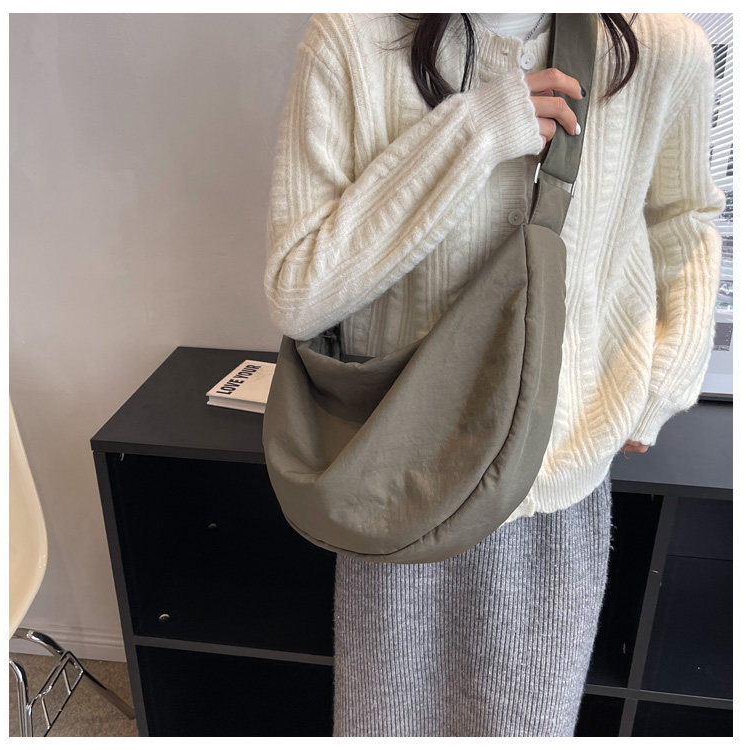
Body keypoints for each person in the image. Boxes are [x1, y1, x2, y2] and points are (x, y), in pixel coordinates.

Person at [263, 12, 725, 737]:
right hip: (398, 469)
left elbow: (683, 217)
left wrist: (662, 382)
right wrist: (472, 132)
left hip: (558, 473)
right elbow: (298, 292)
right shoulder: (352, 36)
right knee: (384, 725)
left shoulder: (663, 50)